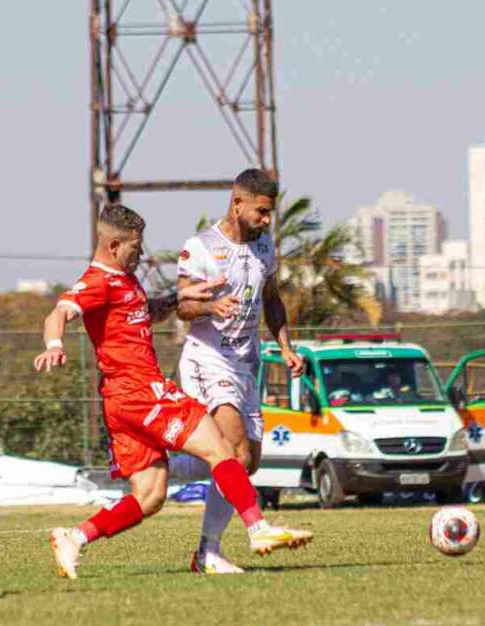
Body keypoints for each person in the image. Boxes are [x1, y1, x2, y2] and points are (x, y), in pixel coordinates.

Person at [34, 204, 313, 579]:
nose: (142, 253)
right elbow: (60, 312)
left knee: (149, 496)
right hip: (140, 391)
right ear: (114, 244)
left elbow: (142, 313)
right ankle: (258, 529)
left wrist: (182, 298)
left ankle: (75, 537)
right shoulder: (97, 280)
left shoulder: (124, 279)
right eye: (136, 246)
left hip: (121, 401)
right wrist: (54, 343)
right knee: (222, 448)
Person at [174, 169, 305, 575]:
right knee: (232, 449)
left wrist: (285, 346)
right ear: (237, 204)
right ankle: (213, 550)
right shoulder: (200, 247)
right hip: (207, 358)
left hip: (246, 364)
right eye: (262, 212)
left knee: (246, 462)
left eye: (270, 213)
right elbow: (181, 306)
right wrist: (211, 306)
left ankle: (156, 462)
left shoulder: (264, 247)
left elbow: (272, 299)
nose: (267, 221)